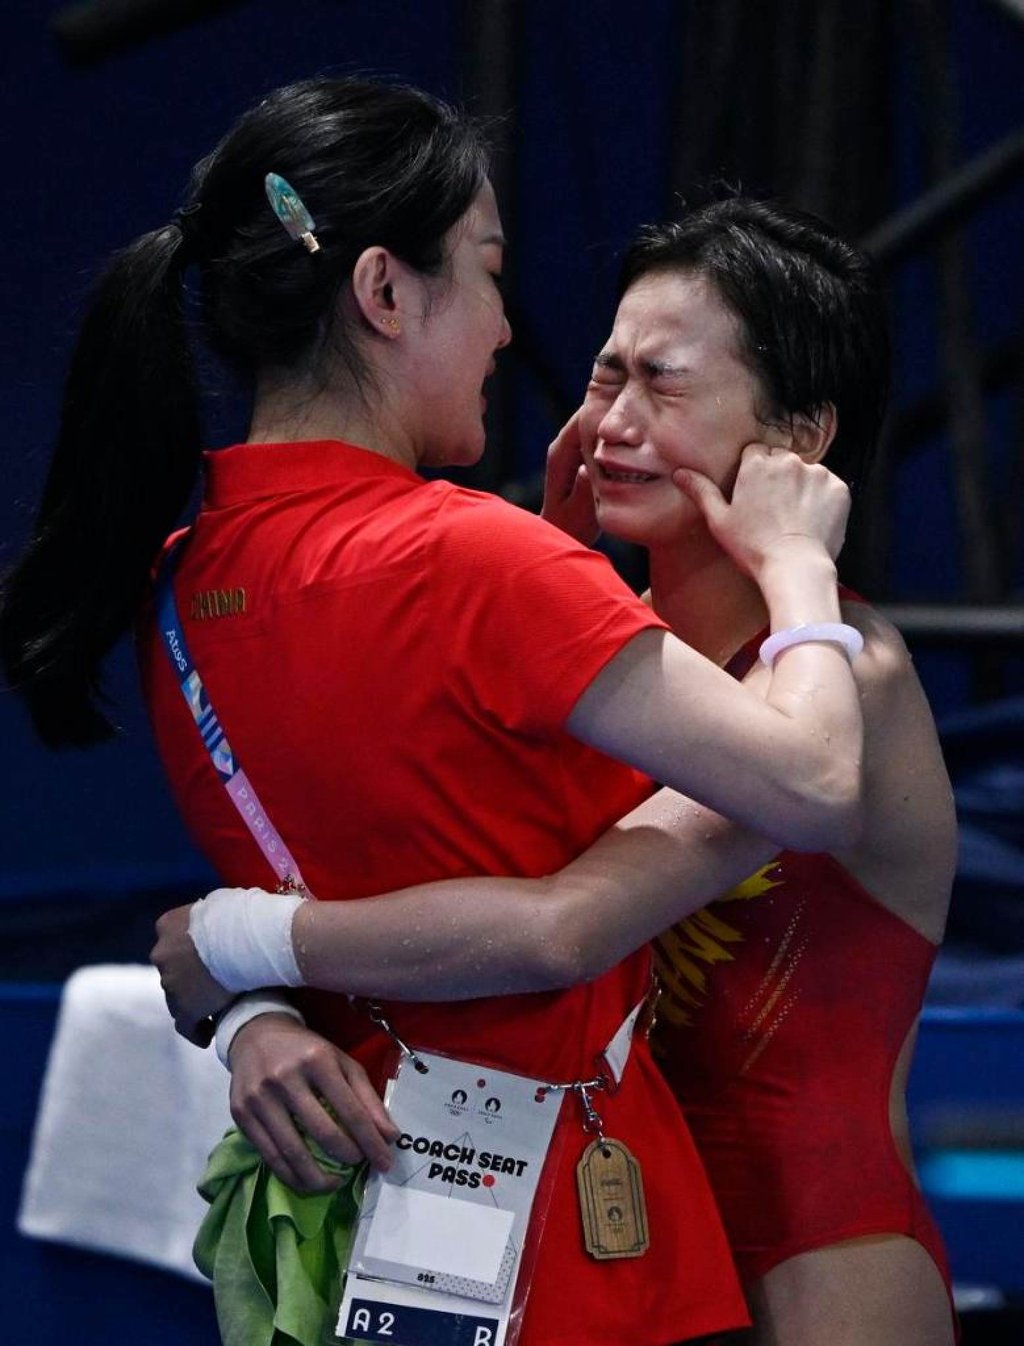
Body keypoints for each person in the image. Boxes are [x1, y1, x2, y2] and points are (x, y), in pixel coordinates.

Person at [0, 75, 867, 1346]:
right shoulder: (479, 564)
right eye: (488, 271)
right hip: (579, 1256)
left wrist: (239, 982)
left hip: (363, 1225)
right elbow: (815, 783)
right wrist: (799, 567)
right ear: (384, 293)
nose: (510, 328)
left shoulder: (179, 578)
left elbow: (377, 820)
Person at [154, 198, 958, 1345]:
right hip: (586, 1237)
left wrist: (228, 943)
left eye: (663, 384)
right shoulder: (592, 665)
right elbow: (400, 885)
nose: (615, 420)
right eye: (602, 375)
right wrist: (255, 1013)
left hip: (818, 1258)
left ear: (799, 439)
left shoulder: (848, 683)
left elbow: (561, 924)